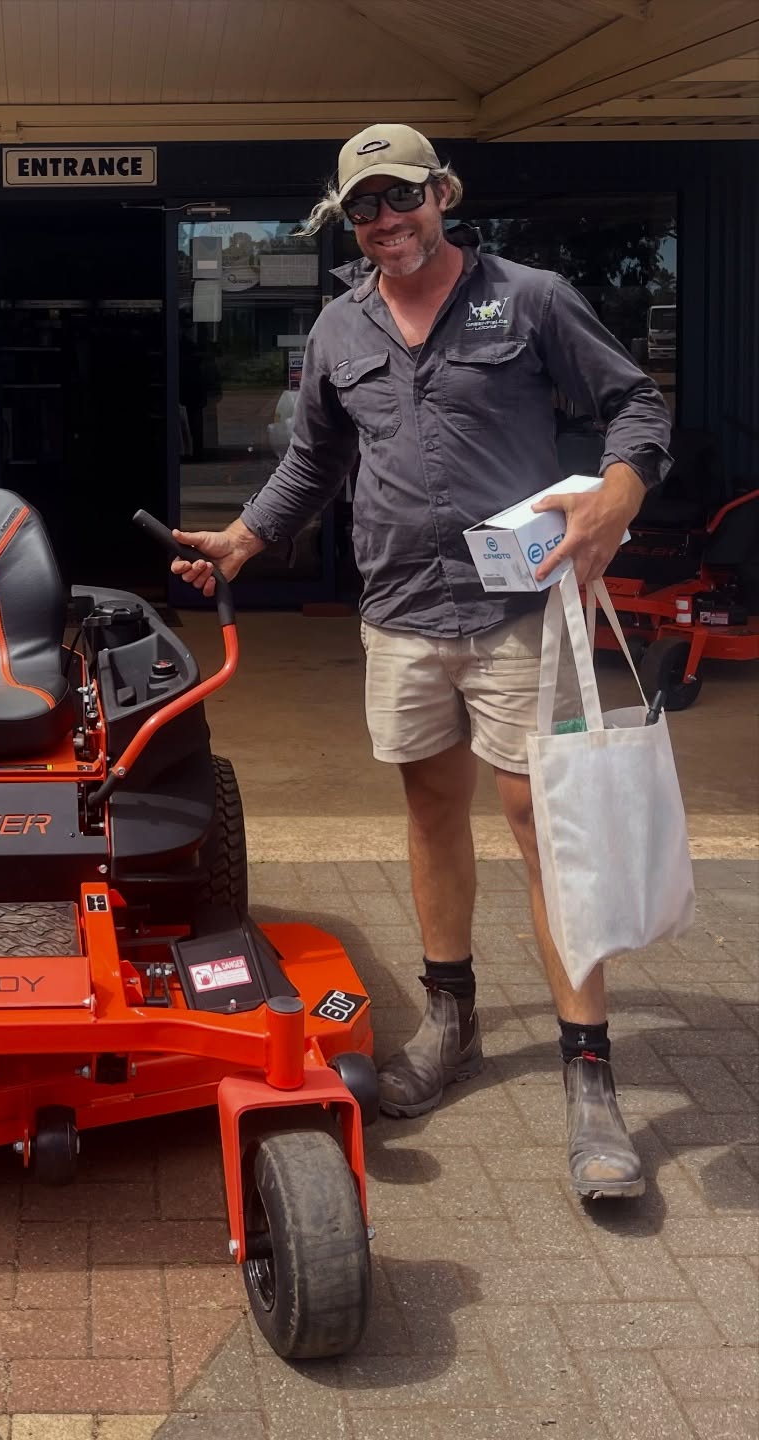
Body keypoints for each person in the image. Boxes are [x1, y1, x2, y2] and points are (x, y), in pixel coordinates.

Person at [171, 124, 671, 1200]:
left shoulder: (527, 298)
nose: (387, 222)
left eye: (402, 197)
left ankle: (591, 1071)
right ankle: (453, 1021)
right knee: (431, 813)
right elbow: (314, 458)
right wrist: (247, 539)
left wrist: (619, 492)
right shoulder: (342, 326)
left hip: (520, 607)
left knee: (545, 824)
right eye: (365, 208)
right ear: (347, 220)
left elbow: (636, 403)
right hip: (400, 610)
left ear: (442, 192)